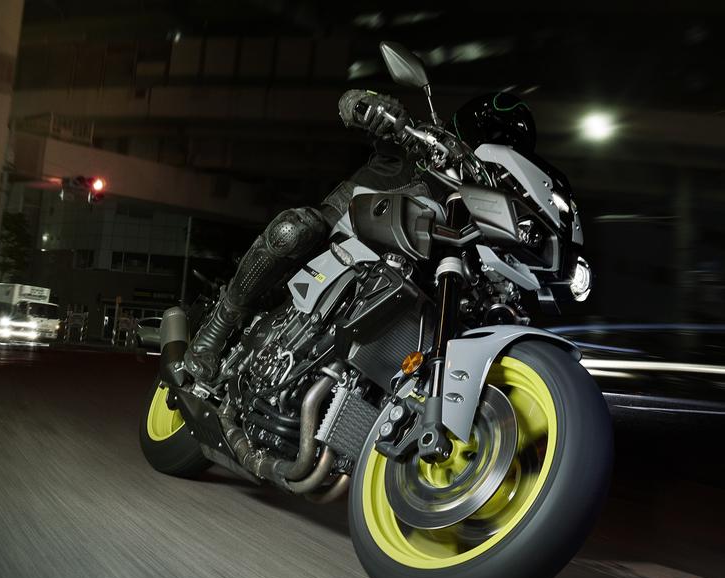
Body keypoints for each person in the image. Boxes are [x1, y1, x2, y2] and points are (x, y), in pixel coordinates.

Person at [184, 89, 537, 381]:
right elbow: (349, 103)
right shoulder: (419, 146)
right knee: (294, 229)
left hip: (398, 287)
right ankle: (218, 326)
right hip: (337, 237)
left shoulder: (479, 217)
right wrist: (373, 109)